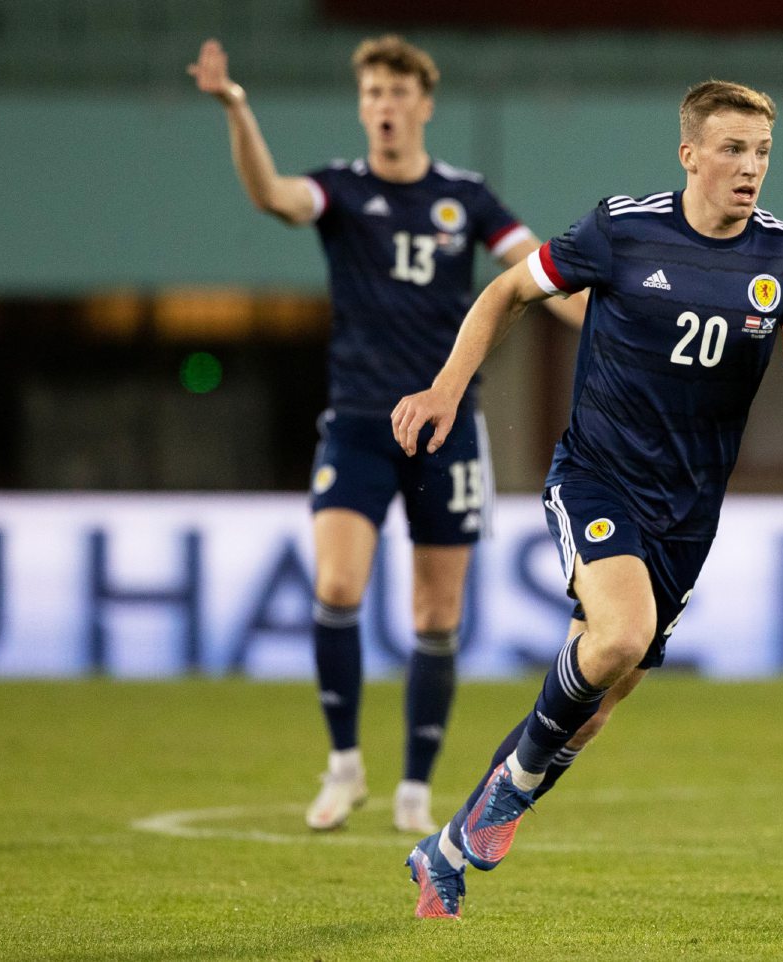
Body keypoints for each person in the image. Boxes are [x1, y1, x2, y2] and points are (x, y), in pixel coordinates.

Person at [391, 79, 783, 919]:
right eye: (734, 150)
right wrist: (448, 389)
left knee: (593, 711)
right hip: (598, 475)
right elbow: (507, 292)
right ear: (691, 154)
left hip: (688, 513)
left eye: (763, 153)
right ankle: (498, 811)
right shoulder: (622, 230)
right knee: (622, 632)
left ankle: (446, 851)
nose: (751, 169)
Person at [187, 35, 586, 834]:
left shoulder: (465, 197)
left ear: (424, 105)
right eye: (372, 94)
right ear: (362, 106)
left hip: (445, 427)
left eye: (399, 94)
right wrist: (237, 109)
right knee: (337, 587)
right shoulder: (339, 190)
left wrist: (614, 320)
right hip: (360, 425)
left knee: (436, 614)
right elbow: (271, 195)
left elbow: (538, 276)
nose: (385, 107)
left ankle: (413, 788)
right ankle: (343, 768)